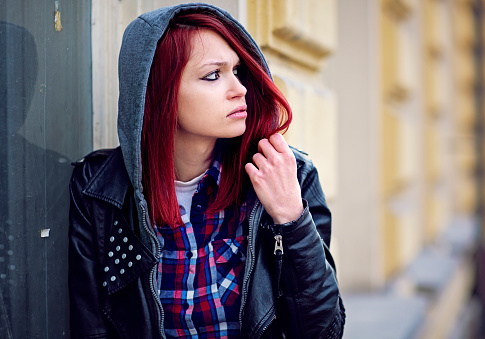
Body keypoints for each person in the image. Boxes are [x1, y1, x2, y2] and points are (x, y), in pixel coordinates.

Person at [68, 3, 345, 338]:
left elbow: (324, 331)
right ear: (158, 93)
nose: (239, 89)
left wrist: (291, 217)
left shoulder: (288, 175)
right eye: (213, 75)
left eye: (238, 71)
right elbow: (91, 327)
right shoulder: (100, 192)